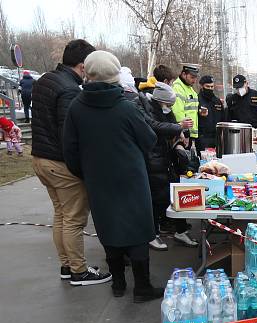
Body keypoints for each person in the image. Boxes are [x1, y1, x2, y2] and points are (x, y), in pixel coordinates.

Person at [61, 50, 162, 302]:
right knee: (137, 231)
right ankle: (142, 287)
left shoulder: (76, 108)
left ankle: (117, 284)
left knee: (109, 228)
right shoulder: (126, 108)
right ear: (116, 76)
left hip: (98, 181)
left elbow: (69, 150)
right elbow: (149, 140)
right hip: (132, 181)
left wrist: (86, 173)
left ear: (89, 74)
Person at [30, 38, 111, 286]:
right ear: (82, 65)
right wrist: (81, 168)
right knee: (74, 219)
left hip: (40, 158)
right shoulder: (69, 89)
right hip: (60, 162)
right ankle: (79, 271)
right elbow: (69, 135)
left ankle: (67, 265)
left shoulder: (45, 80)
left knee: (62, 215)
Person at [143, 82, 198, 250]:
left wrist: (181, 133)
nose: (170, 108)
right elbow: (155, 127)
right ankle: (153, 234)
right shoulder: (148, 110)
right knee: (157, 199)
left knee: (176, 193)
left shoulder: (165, 110)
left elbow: (173, 123)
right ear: (160, 100)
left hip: (167, 157)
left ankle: (180, 230)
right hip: (154, 158)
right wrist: (178, 127)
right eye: (168, 104)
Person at [172, 63, 199, 141]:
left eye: (195, 78)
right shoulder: (178, 88)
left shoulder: (189, 88)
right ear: (184, 74)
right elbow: (178, 112)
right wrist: (183, 132)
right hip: (183, 134)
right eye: (192, 77)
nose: (194, 80)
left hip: (190, 133)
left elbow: (192, 109)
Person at [197, 75, 224, 152]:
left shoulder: (217, 101)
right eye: (207, 86)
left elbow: (223, 118)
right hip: (203, 137)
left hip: (217, 137)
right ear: (202, 86)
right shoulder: (197, 100)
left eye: (212, 87)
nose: (210, 89)